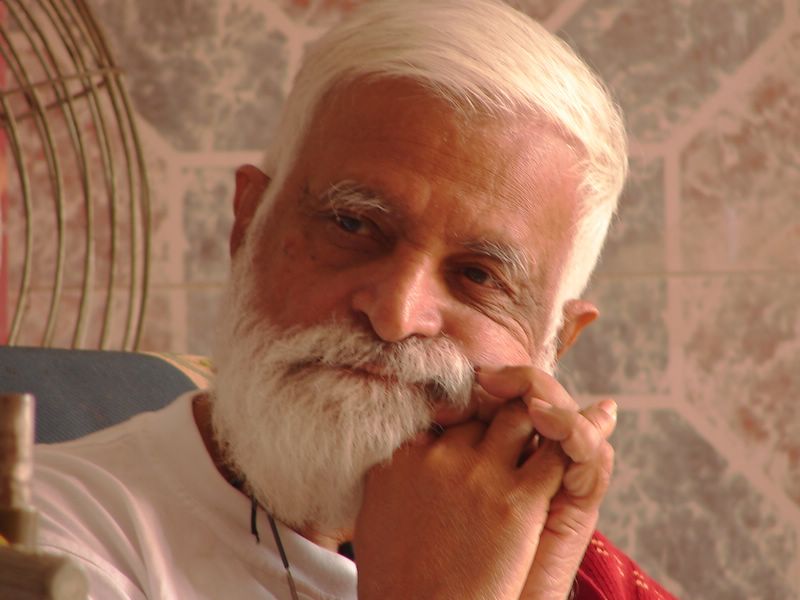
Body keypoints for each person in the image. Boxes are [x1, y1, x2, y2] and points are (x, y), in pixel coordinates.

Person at [32, 1, 675, 598]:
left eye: (478, 276)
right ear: (247, 224)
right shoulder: (48, 542)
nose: (395, 316)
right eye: (352, 224)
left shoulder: (547, 560)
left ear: (554, 344)